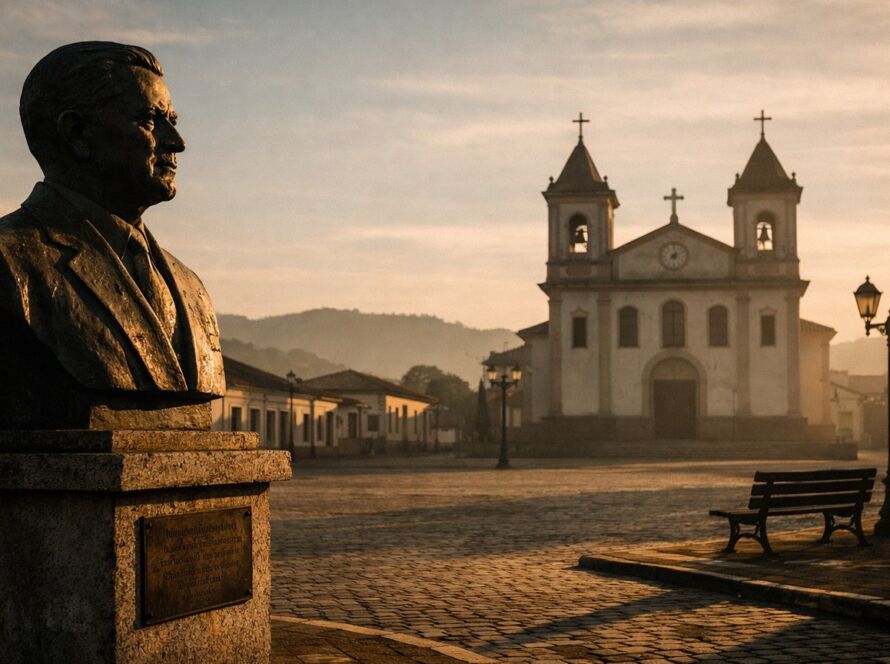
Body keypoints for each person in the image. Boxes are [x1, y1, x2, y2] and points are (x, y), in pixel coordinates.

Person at [0, 42, 225, 429]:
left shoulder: (191, 287)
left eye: (173, 119)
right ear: (76, 134)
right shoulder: (11, 261)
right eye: (150, 121)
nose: (177, 142)